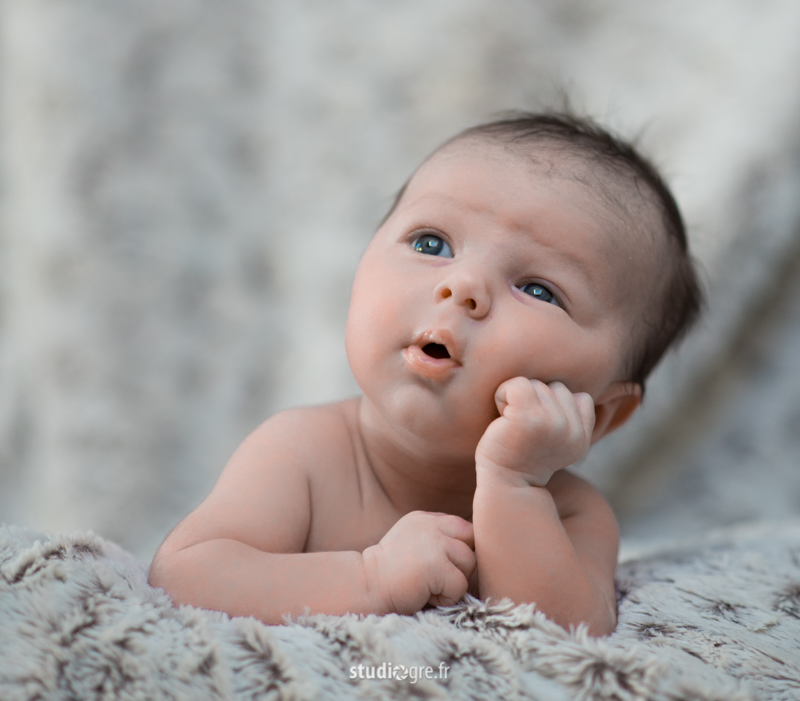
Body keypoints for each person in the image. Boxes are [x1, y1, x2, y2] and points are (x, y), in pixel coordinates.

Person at [149, 113, 702, 635]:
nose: (462, 287)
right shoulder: (302, 452)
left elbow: (566, 640)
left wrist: (515, 487)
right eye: (430, 243)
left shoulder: (570, 512)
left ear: (600, 410)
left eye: (538, 289)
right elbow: (186, 576)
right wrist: (371, 578)